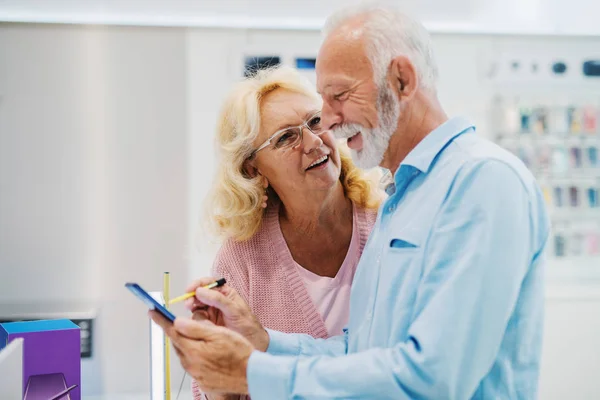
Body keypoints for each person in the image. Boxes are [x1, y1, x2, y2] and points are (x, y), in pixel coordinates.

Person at [151, 3, 550, 399]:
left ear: (402, 80)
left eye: (339, 95)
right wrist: (264, 343)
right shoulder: (403, 200)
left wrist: (255, 374)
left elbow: (432, 379)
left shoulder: (481, 183)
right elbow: (360, 353)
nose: (327, 121)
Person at [190, 65, 381, 400]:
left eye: (315, 121)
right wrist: (215, 369)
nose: (312, 142)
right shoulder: (243, 257)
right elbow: (216, 389)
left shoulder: (387, 226)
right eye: (286, 137)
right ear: (254, 169)